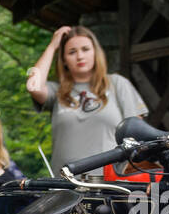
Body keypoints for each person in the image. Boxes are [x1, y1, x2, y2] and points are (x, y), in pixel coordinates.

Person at [25, 25, 148, 175]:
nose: (80, 56)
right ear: (63, 59)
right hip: (66, 185)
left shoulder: (117, 84)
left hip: (112, 185)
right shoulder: (57, 91)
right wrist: (52, 46)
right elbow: (33, 86)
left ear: (96, 53)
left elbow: (138, 134)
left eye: (85, 49)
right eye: (72, 52)